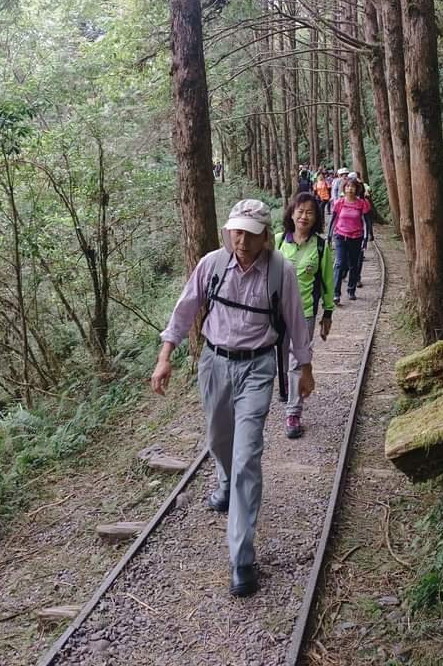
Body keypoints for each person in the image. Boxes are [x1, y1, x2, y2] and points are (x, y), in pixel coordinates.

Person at [151, 199, 314, 598]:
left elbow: (295, 322)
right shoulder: (212, 265)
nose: (240, 240)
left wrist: (305, 368)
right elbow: (185, 308)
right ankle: (223, 481)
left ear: (264, 236)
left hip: (258, 369)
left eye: (249, 233)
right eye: (235, 231)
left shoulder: (281, 272)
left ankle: (241, 557)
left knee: (247, 458)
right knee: (219, 442)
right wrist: (165, 356)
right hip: (215, 364)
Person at [275, 192, 334, 439]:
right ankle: (286, 389)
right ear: (291, 213)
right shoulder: (278, 241)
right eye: (300, 211)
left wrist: (327, 314)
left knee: (298, 361)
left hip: (305, 313)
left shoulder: (321, 247)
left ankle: (293, 412)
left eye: (309, 212)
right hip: (275, 313)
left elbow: (328, 282)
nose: (303, 216)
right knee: (276, 358)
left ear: (316, 217)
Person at [328, 177, 370, 304]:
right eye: (347, 186)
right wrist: (329, 236)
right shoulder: (339, 203)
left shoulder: (362, 204)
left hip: (356, 237)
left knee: (353, 265)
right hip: (340, 236)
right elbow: (333, 220)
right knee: (340, 264)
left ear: (356, 189)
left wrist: (366, 238)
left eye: (352, 186)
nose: (349, 189)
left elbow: (366, 222)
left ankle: (351, 289)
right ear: (344, 188)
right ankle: (336, 293)